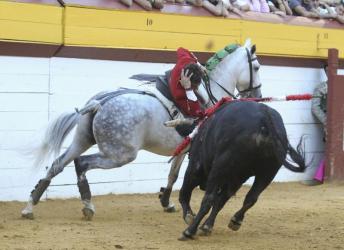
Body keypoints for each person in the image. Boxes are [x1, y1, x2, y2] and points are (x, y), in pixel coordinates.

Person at [302, 80, 327, 186]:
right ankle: (319, 177)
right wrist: (327, 121)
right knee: (333, 150)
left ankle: (319, 177)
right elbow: (315, 107)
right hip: (332, 122)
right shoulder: (322, 87)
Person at [169, 47, 206, 119]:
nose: (197, 88)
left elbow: (180, 49)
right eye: (195, 86)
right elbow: (197, 113)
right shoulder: (179, 94)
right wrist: (188, 89)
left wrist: (198, 64)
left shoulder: (186, 60)